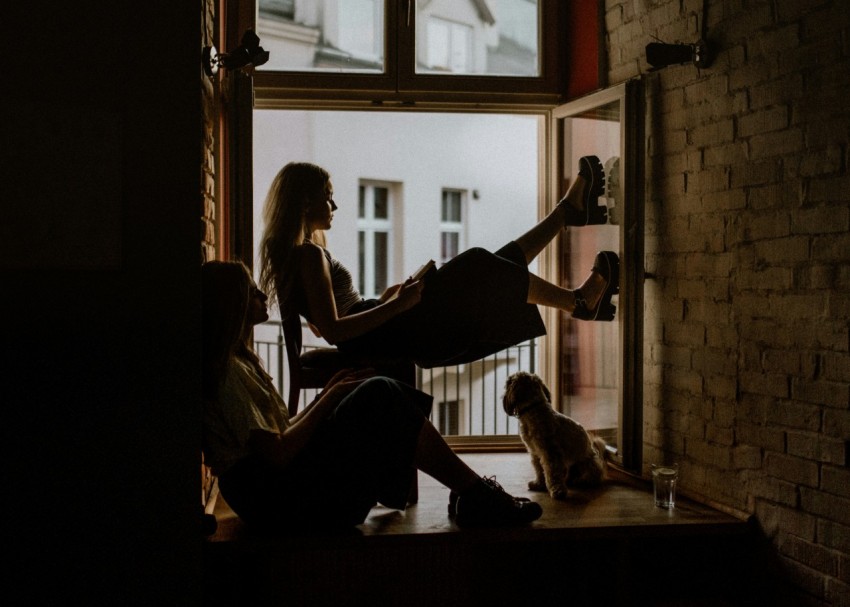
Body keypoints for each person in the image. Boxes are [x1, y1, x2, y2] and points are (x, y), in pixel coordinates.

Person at [201, 260, 543, 531]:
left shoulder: (238, 362)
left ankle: (470, 491)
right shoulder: (228, 372)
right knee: (379, 394)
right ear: (235, 304)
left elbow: (276, 434)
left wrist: (328, 394)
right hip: (278, 502)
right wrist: (332, 400)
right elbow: (277, 453)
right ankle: (475, 495)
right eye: (251, 290)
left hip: (277, 490)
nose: (262, 294)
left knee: (378, 392)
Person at [258, 159, 619, 369]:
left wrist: (385, 301)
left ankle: (567, 220)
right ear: (305, 203)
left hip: (384, 331)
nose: (334, 207)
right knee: (480, 263)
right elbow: (334, 330)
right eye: (328, 198)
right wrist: (398, 305)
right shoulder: (308, 255)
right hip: (385, 339)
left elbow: (323, 326)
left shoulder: (301, 255)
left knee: (490, 266)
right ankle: (578, 301)